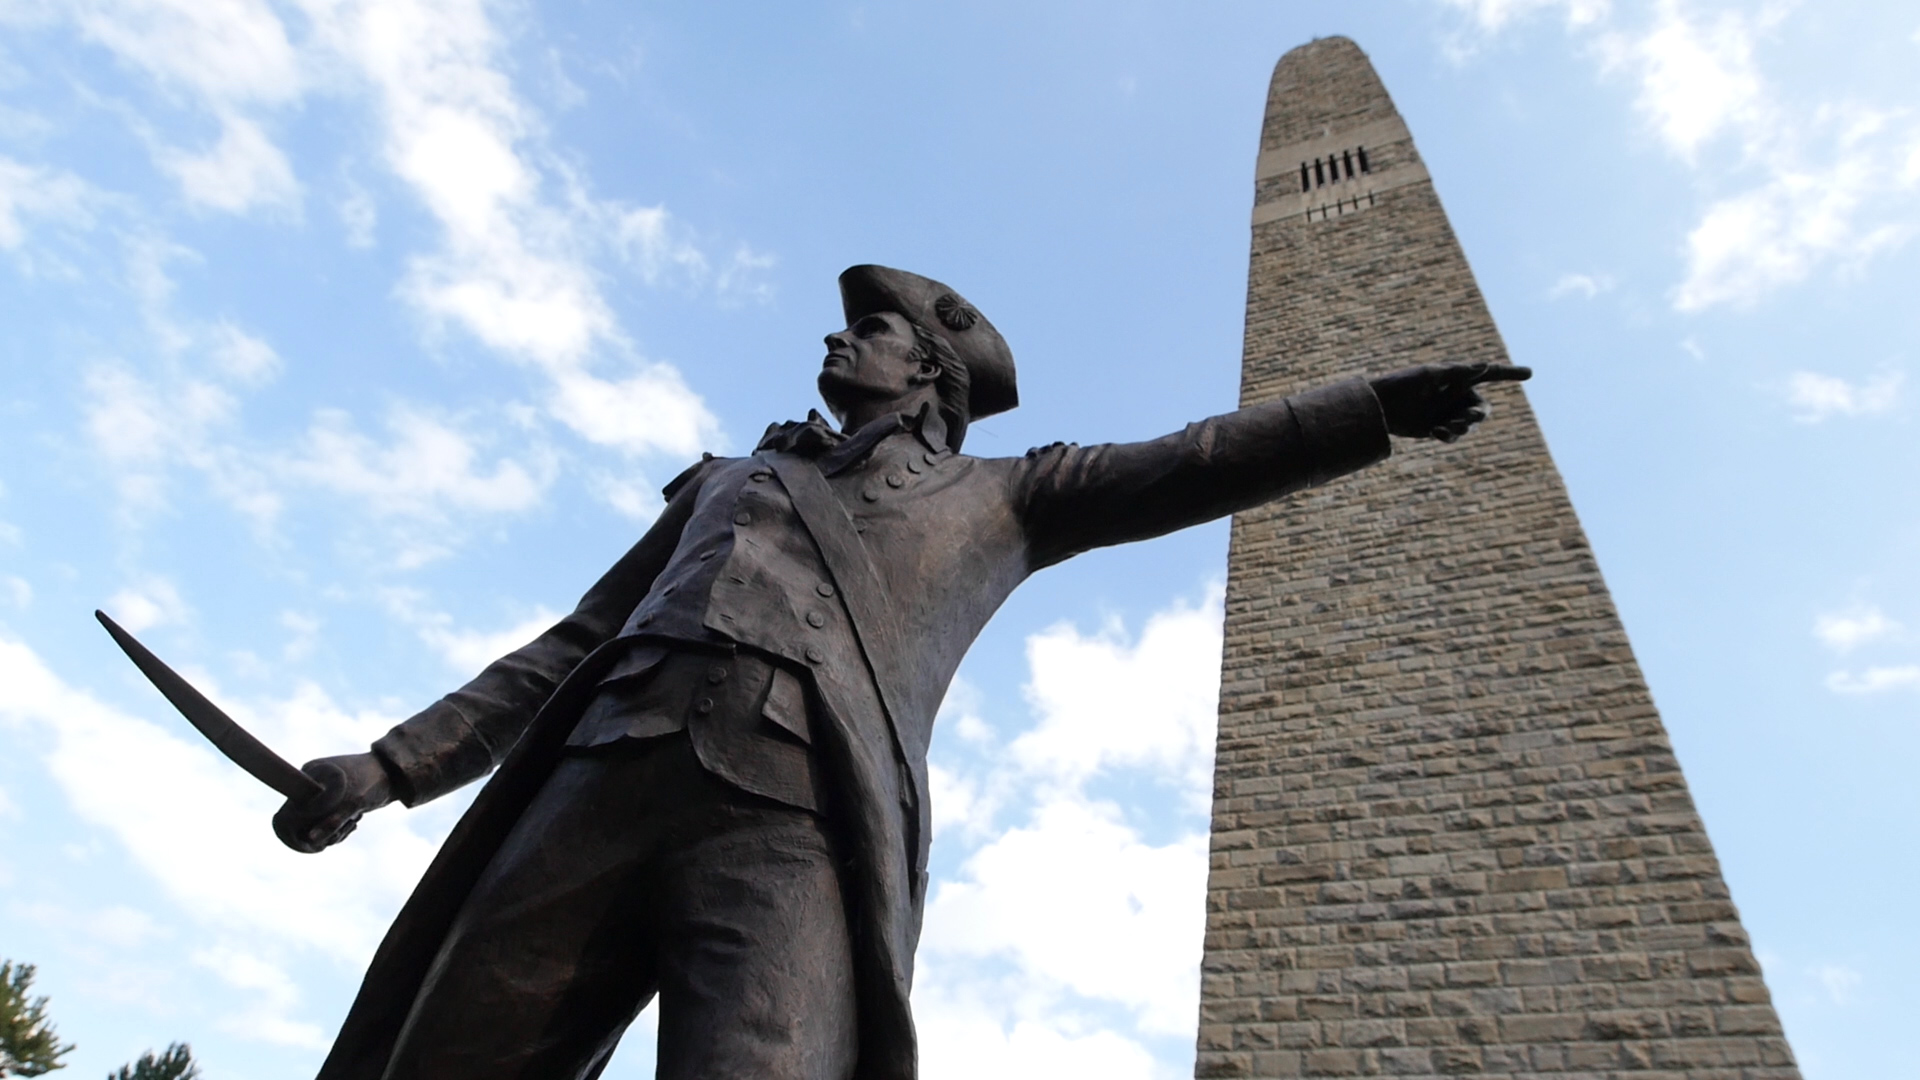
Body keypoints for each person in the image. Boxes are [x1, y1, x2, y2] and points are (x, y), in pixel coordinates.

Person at [275, 265, 1529, 1080]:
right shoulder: (728, 481)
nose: (838, 335)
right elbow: (571, 644)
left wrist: (1371, 410)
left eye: (869, 328)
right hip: (594, 784)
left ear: (930, 368)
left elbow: (1192, 458)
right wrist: (388, 765)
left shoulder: (1011, 497)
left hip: (793, 832)